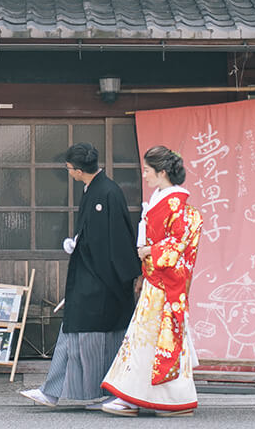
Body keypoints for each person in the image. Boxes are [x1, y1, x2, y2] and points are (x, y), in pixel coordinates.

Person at [20, 142, 140, 408]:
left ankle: (107, 393)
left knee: (96, 339)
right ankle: (54, 391)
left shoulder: (106, 192)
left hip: (102, 280)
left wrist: (79, 245)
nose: (68, 172)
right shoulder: (97, 190)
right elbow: (98, 236)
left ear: (77, 170)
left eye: (69, 168)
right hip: (94, 276)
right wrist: (78, 240)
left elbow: (114, 240)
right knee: (78, 335)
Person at [99, 145, 203, 417]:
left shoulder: (176, 204)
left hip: (164, 284)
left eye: (147, 170)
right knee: (153, 340)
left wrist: (149, 252)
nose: (143, 175)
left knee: (147, 339)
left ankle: (139, 399)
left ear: (162, 172)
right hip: (156, 280)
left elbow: (178, 243)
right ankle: (161, 398)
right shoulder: (163, 199)